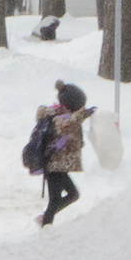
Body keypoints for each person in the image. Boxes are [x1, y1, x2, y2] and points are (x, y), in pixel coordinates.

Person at [35, 80, 95, 227]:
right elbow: (67, 125)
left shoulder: (67, 115)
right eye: (80, 105)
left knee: (73, 195)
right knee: (55, 199)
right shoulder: (58, 117)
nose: (82, 108)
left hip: (59, 165)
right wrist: (84, 114)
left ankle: (45, 218)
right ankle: (46, 225)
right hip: (53, 164)